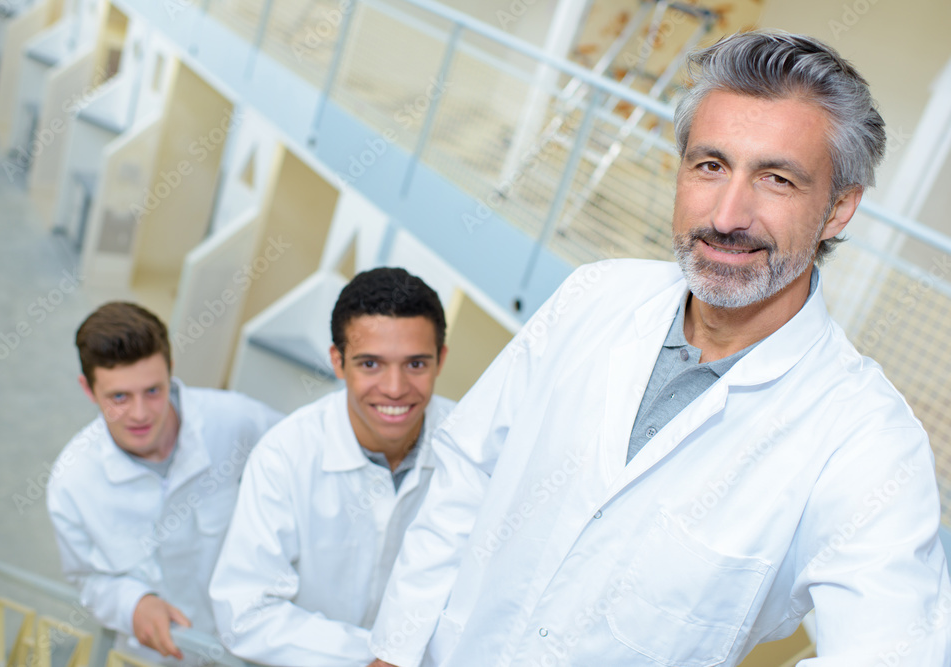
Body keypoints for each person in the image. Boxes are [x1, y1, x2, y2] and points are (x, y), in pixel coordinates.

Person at [367, 31, 951, 666]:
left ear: (838, 210)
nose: (727, 215)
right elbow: (468, 472)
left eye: (776, 179)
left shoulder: (866, 440)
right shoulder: (592, 296)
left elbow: (893, 654)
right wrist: (395, 650)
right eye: (710, 166)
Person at [209, 267, 455, 666]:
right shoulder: (284, 456)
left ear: (440, 360)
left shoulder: (474, 452)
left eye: (415, 364)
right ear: (338, 362)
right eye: (370, 364)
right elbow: (246, 613)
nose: (394, 388)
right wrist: (380, 657)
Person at [46, 302, 283, 662]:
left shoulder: (237, 421)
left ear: (171, 371)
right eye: (119, 397)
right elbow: (89, 579)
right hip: (156, 655)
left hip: (254, 646)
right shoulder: (73, 482)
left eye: (153, 391)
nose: (140, 414)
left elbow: (305, 473)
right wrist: (134, 604)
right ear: (88, 390)